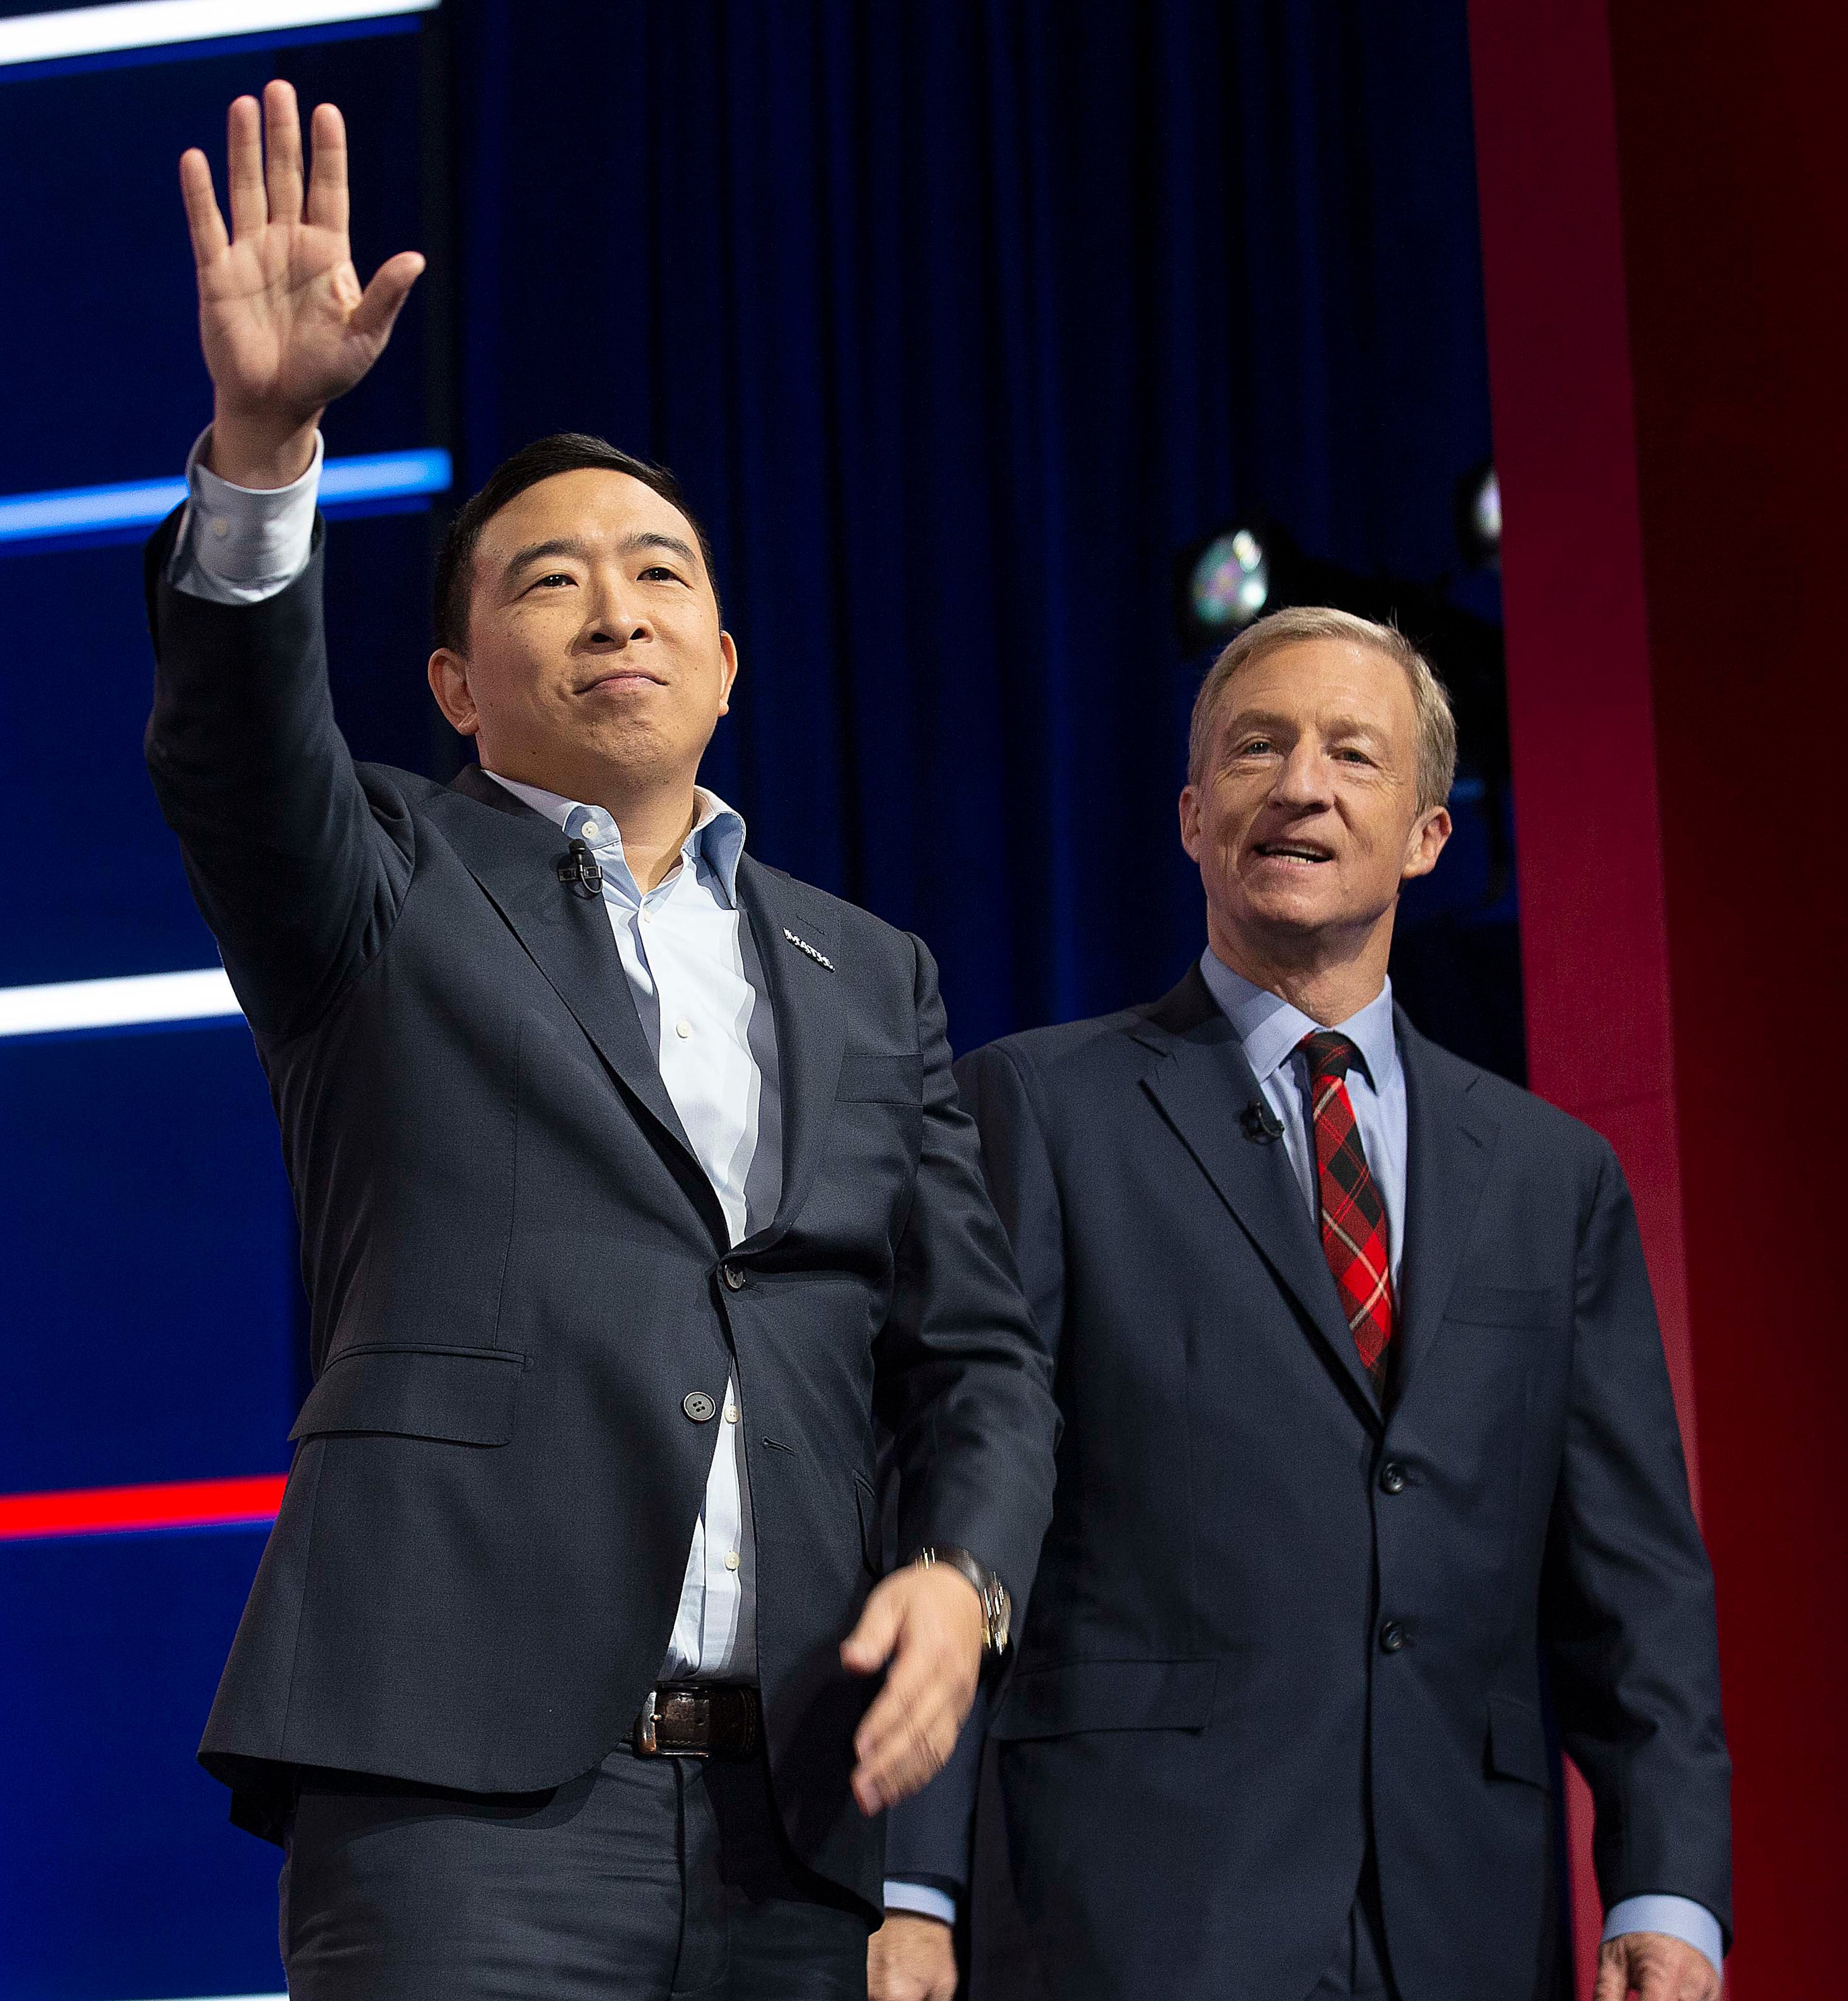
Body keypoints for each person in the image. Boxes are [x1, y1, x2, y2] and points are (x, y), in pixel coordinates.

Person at [147, 83, 1056, 2000]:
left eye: (660, 572)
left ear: (727, 662)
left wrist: (965, 1589)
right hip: (461, 1802)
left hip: (802, 1824)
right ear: (458, 680)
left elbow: (974, 1359)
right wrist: (261, 447)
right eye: (547, 578)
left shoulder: (866, 968)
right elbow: (240, 743)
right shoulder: (382, 878)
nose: (614, 606)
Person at [886, 607, 1731, 2001]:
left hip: (1462, 1917)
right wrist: (912, 1883)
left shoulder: (1551, 1176)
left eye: (1354, 754)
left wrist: (1668, 1884)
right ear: (1191, 814)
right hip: (1136, 1906)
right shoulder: (1033, 1110)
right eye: (1256, 749)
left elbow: (1634, 1578)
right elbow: (950, 1494)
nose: (1301, 786)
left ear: (1427, 834)